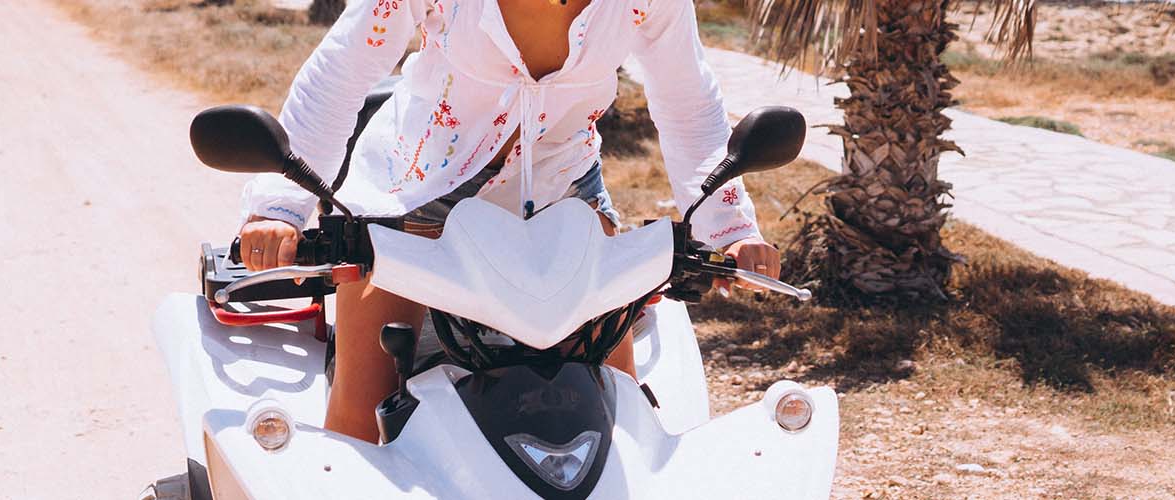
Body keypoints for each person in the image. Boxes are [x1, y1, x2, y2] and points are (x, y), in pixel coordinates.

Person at [236, 0, 779, 443]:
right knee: (362, 414)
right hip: (418, 193)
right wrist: (280, 208)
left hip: (564, 191)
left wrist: (730, 230)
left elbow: (688, 103)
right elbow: (340, 74)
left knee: (621, 414)